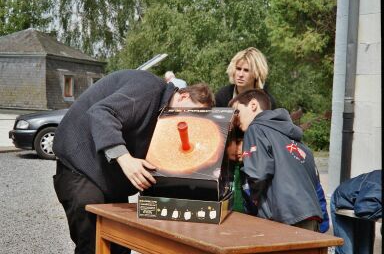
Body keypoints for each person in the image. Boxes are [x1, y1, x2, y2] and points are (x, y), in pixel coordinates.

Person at [52, 69, 215, 254]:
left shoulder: (166, 116)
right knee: (93, 238)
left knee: (121, 243)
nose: (189, 120)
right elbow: (101, 112)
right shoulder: (148, 87)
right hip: (79, 163)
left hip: (108, 177)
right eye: (192, 113)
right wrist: (125, 158)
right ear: (183, 95)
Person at [228, 89, 322, 231]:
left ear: (253, 105)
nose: (234, 119)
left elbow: (257, 173)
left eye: (236, 111)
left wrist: (254, 200)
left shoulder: (256, 128)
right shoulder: (290, 136)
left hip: (285, 217)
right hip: (311, 215)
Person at [330, 170, 382, 254]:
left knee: (365, 251)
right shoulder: (377, 185)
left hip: (363, 202)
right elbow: (363, 209)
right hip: (342, 201)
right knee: (347, 251)